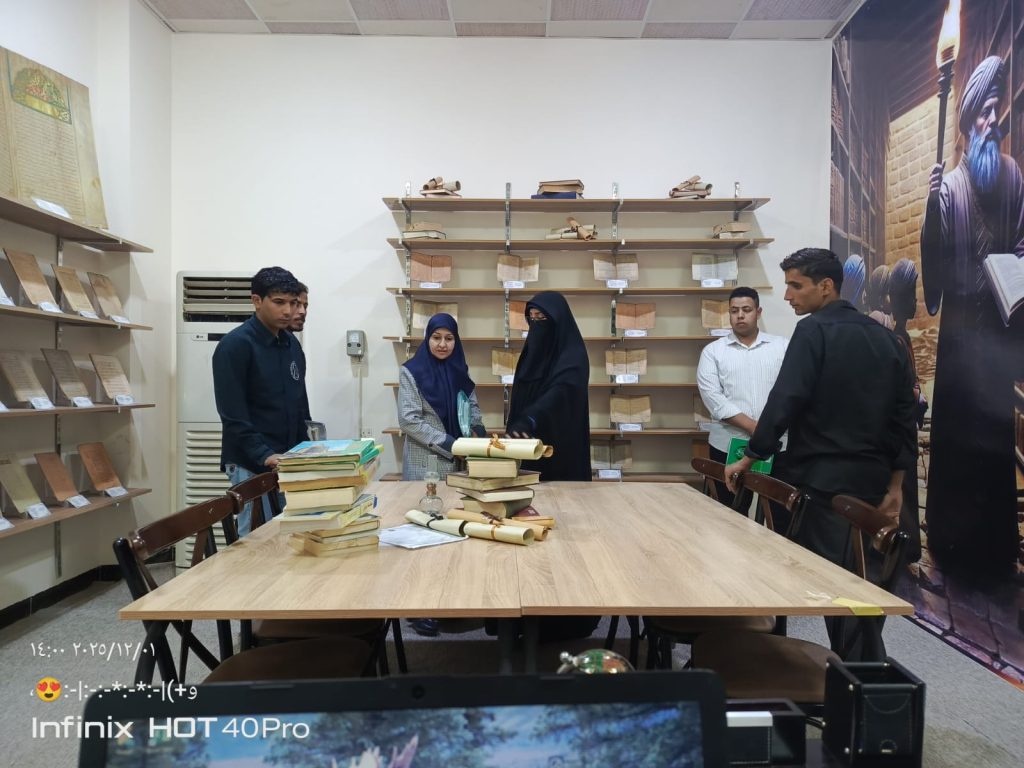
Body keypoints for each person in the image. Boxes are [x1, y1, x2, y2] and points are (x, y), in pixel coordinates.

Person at [724, 248, 917, 661]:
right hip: (873, 480)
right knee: (862, 586)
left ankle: (858, 682)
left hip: (824, 481)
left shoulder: (813, 331)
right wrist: (897, 484)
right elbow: (904, 417)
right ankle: (861, 676)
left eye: (796, 285)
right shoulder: (886, 339)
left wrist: (751, 456)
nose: (788, 295)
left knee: (839, 592)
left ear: (825, 286)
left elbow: (786, 399)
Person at [920, 54, 1024, 578]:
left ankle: (996, 547)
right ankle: (951, 541)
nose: (992, 121)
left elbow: (1023, 240)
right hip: (961, 338)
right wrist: (930, 210)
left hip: (999, 335)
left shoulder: (1012, 177)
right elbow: (935, 264)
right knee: (958, 435)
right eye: (984, 112)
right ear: (966, 121)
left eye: (996, 111)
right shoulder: (951, 187)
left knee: (995, 437)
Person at [213, 267, 309, 536]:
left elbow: (300, 404)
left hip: (286, 460)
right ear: (257, 300)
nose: (288, 311)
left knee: (288, 537)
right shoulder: (235, 345)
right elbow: (232, 414)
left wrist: (308, 450)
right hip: (251, 462)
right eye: (279, 302)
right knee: (255, 542)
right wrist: (264, 455)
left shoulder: (291, 344)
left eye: (293, 302)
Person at [696, 286, 788, 507]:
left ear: (758, 312)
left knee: (779, 515)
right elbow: (713, 399)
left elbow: (791, 392)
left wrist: (766, 432)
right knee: (730, 514)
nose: (740, 315)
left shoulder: (782, 347)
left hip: (778, 446)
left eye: (746, 310)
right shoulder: (713, 351)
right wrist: (756, 428)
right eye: (734, 310)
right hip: (727, 445)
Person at [505, 291, 591, 481]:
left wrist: (530, 418)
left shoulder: (573, 354)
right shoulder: (532, 352)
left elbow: (561, 393)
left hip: (560, 445)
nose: (536, 323)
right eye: (531, 318)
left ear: (557, 319)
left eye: (541, 317)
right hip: (527, 443)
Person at [398, 313, 485, 481]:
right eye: (436, 337)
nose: (443, 344)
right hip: (426, 463)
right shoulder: (411, 371)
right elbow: (409, 420)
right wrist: (451, 445)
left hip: (462, 462)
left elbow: (472, 406)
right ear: (428, 338)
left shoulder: (460, 370)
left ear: (456, 341)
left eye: (449, 338)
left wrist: (477, 431)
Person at [887, 258, 925, 565]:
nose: (914, 302)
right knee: (903, 489)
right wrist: (914, 395)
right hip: (898, 428)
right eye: (909, 294)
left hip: (905, 425)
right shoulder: (895, 338)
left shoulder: (901, 334)